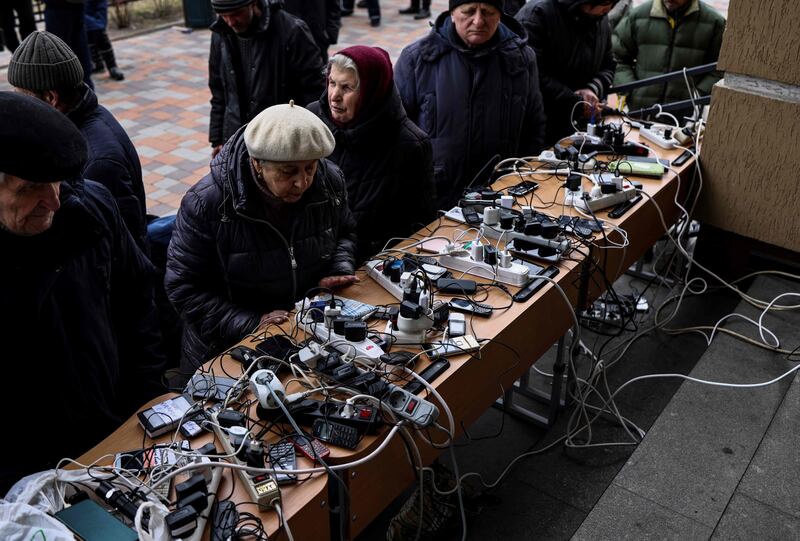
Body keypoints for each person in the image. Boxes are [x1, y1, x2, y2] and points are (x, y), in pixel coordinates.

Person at [0, 92, 165, 492]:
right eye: (31, 188)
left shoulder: (91, 209)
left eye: (56, 180)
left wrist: (146, 399)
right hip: (24, 471)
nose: (53, 201)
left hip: (113, 425)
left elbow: (138, 300)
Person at [166, 102, 358, 374]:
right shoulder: (206, 204)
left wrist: (338, 268)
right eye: (288, 172)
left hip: (306, 334)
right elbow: (183, 288)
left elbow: (345, 232)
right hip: (227, 352)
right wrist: (252, 323)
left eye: (310, 169)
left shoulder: (329, 182)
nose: (302, 183)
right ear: (257, 164)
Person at [395, 0, 546, 210]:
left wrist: (515, 180)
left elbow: (534, 125)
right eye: (468, 12)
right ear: (452, 13)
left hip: (500, 197)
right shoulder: (417, 59)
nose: (478, 20)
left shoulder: (520, 58)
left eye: (487, 11)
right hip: (434, 198)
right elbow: (397, 133)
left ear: (500, 14)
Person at [8, 31, 149, 251]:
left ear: (50, 98)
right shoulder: (81, 124)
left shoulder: (95, 160)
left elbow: (123, 247)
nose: (19, 105)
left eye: (21, 95)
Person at [308, 46, 436, 262]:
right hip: (312, 261)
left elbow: (419, 228)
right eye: (332, 83)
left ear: (371, 93)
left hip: (373, 268)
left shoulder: (410, 146)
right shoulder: (312, 119)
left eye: (347, 87)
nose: (334, 96)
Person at [208, 0, 325, 158]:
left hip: (280, 141)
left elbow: (313, 92)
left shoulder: (292, 31)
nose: (230, 22)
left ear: (253, 3)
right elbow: (219, 91)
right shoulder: (220, 33)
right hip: (237, 139)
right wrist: (217, 139)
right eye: (223, 16)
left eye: (236, 14)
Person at [516, 0, 617, 145]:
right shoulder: (538, 14)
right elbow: (531, 76)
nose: (609, 7)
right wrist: (576, 101)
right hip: (539, 128)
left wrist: (591, 90)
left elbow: (608, 65)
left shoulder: (600, 17)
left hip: (577, 127)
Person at [613, 0, 725, 113]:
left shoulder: (714, 22)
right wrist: (631, 90)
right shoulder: (637, 16)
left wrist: (697, 95)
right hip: (640, 112)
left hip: (684, 118)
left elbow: (720, 68)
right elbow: (617, 57)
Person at [43, 0, 93, 89]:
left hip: (64, 6)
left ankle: (81, 94)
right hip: (64, 6)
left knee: (61, 57)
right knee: (68, 57)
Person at [85, 0, 125, 81]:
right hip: (79, 9)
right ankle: (97, 64)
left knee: (98, 30)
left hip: (97, 8)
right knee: (87, 33)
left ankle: (112, 66)